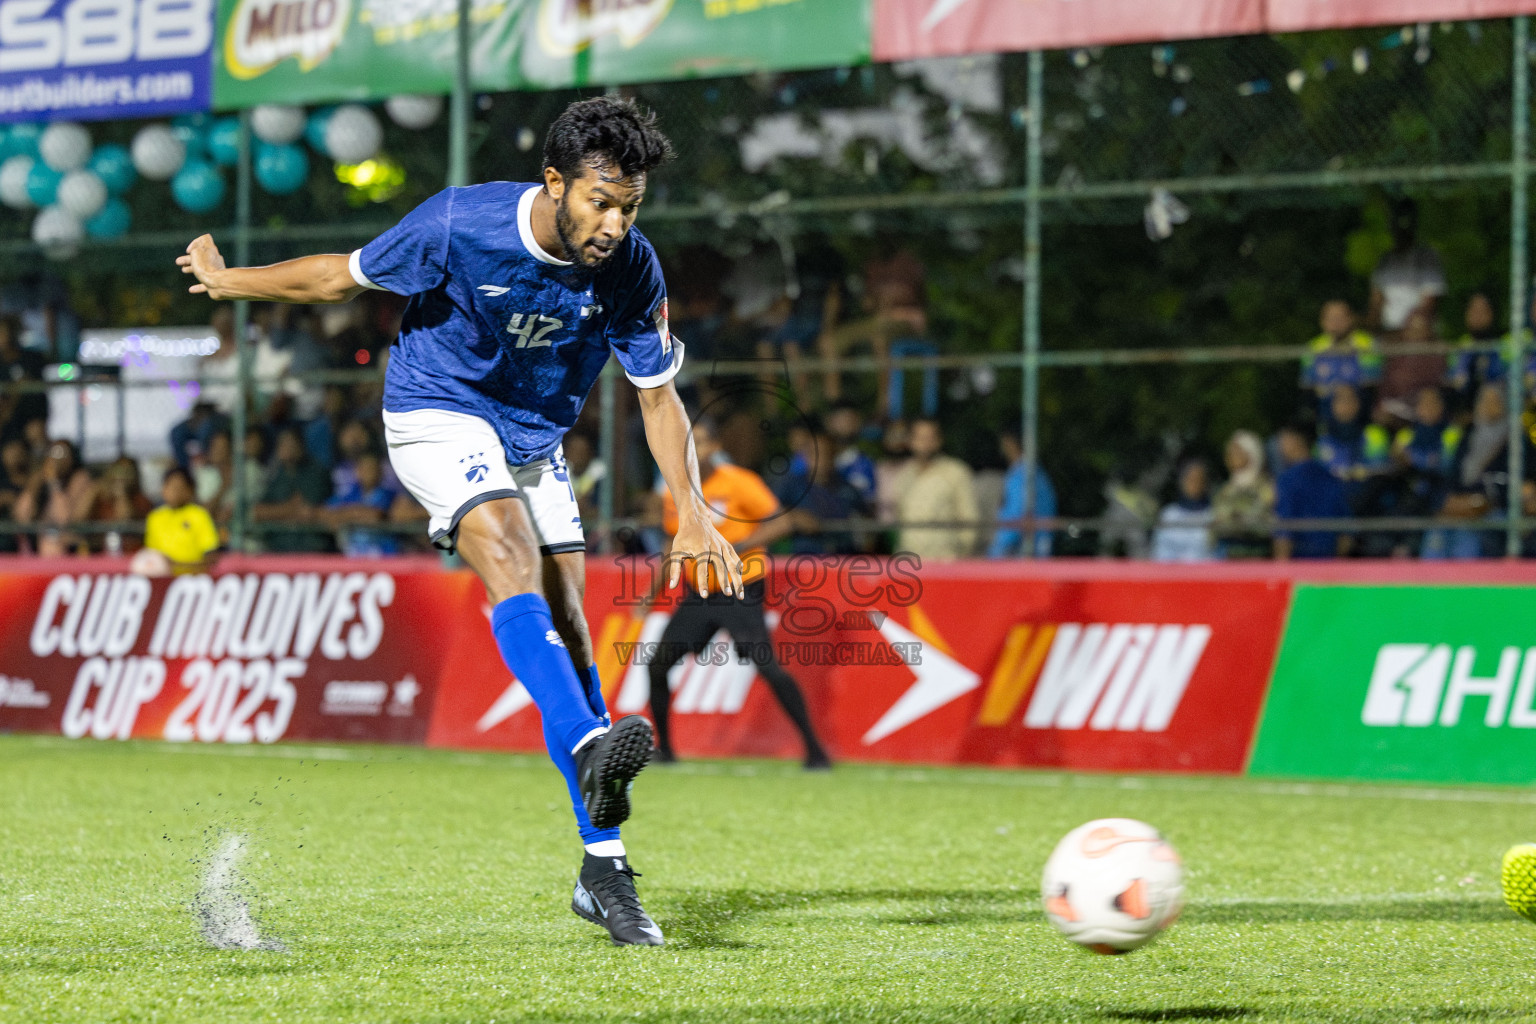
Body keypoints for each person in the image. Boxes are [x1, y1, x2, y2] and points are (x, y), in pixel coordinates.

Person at [178, 97, 741, 948]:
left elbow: (658, 397)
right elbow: (339, 275)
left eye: (630, 207)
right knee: (511, 554)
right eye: (601, 202)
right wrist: (229, 282)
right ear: (554, 182)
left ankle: (603, 871)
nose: (616, 224)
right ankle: (590, 750)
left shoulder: (632, 266)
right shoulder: (459, 224)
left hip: (533, 440)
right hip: (435, 411)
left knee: (572, 640)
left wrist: (692, 510)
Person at [644, 416, 831, 769]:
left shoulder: (740, 482)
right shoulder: (675, 490)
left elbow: (782, 521)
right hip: (700, 592)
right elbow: (672, 543)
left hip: (740, 588)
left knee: (767, 666)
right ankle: (664, 750)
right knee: (657, 665)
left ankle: (815, 750)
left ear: (716, 447)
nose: (692, 450)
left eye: (700, 441)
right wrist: (651, 593)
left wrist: (738, 546)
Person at [888, 418, 979, 561]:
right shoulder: (904, 476)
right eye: (920, 438)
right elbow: (901, 519)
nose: (925, 444)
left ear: (939, 441)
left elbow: (969, 519)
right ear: (911, 441)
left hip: (946, 562)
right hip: (910, 562)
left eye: (930, 438)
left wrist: (960, 557)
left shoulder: (956, 472)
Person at [1273, 418, 1351, 560]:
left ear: (1296, 440)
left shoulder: (1287, 480)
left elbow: (1285, 530)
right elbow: (1345, 534)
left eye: (1284, 439)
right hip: (1329, 563)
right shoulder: (1330, 478)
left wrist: (1281, 567)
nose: (1280, 445)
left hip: (1299, 562)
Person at [1368, 198, 1446, 335]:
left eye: (1406, 225)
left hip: (1418, 333)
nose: (1401, 231)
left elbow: (1429, 302)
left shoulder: (1426, 257)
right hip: (1388, 332)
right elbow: (1377, 300)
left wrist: (1408, 331)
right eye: (1397, 225)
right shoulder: (1385, 260)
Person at [252, 426, 332, 552]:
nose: (286, 447)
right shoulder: (277, 475)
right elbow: (258, 512)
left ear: (301, 446)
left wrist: (275, 513)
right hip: (278, 546)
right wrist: (289, 508)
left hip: (310, 546)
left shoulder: (316, 472)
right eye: (282, 443)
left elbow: (307, 512)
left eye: (291, 443)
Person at [14, 438, 95, 555]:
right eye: (54, 453)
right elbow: (21, 516)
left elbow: (64, 519)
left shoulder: (80, 478)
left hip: (71, 546)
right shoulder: (41, 478)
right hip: (40, 546)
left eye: (63, 454)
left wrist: (54, 482)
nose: (58, 459)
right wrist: (34, 485)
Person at [988, 429, 1056, 559]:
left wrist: (995, 554)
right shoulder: (1040, 475)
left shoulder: (1019, 476)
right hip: (1041, 551)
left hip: (1021, 555)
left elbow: (1014, 519)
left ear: (1010, 442)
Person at [1301, 300, 1380, 410]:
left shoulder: (1367, 344)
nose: (1335, 323)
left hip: (1358, 402)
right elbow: (1308, 383)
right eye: (1331, 318)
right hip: (1322, 402)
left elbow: (1371, 382)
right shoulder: (1313, 347)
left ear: (1350, 319)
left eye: (1340, 318)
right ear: (1322, 322)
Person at [321, 451, 400, 556]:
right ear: (357, 471)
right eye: (364, 468)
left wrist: (345, 515)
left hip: (383, 554)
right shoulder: (349, 494)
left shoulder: (389, 495)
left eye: (372, 468)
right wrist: (358, 513)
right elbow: (326, 514)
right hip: (352, 554)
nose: (368, 472)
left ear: (380, 472)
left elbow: (374, 516)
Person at [1211, 430, 1274, 559]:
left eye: (1237, 452)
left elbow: (1266, 523)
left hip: (1258, 556)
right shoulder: (1225, 490)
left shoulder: (1266, 488)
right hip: (1228, 556)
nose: (1231, 456)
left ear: (1251, 453)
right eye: (1230, 453)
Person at [143, 467, 219, 571]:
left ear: (189, 490)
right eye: (170, 487)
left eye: (178, 488)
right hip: (162, 576)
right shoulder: (155, 517)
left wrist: (180, 565)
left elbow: (211, 556)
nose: (173, 492)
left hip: (194, 576)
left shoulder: (199, 515)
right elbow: (151, 555)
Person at [1151, 458, 1214, 562]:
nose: (1195, 485)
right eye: (1190, 479)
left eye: (1199, 480)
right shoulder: (1168, 515)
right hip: (1172, 571)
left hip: (1206, 571)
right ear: (1181, 482)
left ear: (1206, 484)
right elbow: (1160, 553)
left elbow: (1215, 555)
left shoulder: (1213, 515)